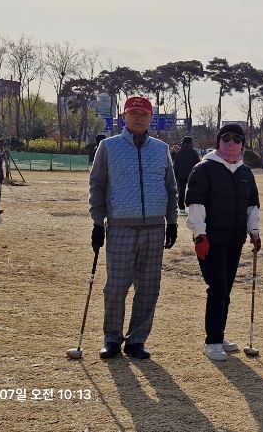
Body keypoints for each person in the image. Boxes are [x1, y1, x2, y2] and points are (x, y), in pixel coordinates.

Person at [89, 96, 179, 360]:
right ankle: (112, 338)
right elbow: (97, 184)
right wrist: (98, 222)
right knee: (116, 286)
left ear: (151, 119)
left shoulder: (161, 149)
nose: (138, 118)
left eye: (144, 114)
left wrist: (172, 221)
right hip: (120, 227)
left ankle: (137, 339)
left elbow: (171, 188)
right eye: (133, 113)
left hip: (154, 228)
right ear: (124, 117)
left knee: (149, 287)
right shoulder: (108, 146)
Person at [185, 123, 261, 361]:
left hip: (234, 239)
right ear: (219, 141)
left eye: (236, 139)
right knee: (217, 288)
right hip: (211, 239)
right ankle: (213, 341)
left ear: (242, 145)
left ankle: (219, 334)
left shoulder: (245, 172)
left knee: (225, 289)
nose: (231, 143)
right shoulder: (204, 168)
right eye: (226, 138)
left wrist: (254, 231)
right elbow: (195, 202)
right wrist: (199, 234)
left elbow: (252, 205)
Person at [172, 135, 200, 217]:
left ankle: (181, 209)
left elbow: (175, 166)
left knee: (181, 191)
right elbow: (199, 165)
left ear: (182, 143)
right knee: (192, 191)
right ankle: (192, 208)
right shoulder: (194, 153)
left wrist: (175, 176)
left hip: (181, 175)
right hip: (193, 175)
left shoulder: (179, 153)